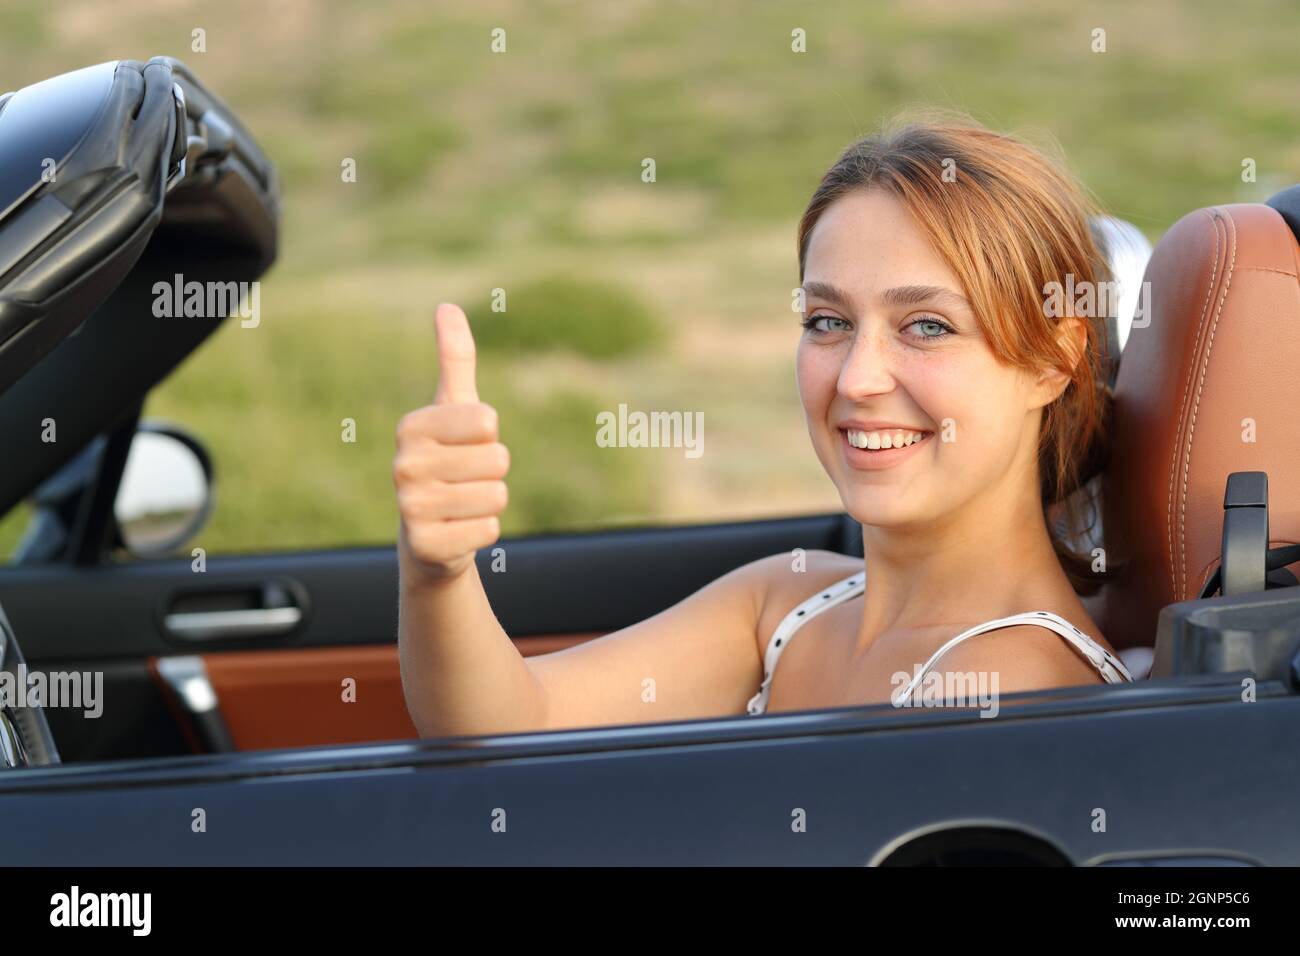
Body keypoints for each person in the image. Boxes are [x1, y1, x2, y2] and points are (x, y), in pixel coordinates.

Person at [394, 114, 1132, 738]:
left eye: (928, 326)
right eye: (828, 321)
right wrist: (439, 571)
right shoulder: (789, 602)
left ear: (1053, 361)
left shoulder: (1017, 687)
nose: (856, 378)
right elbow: (505, 721)